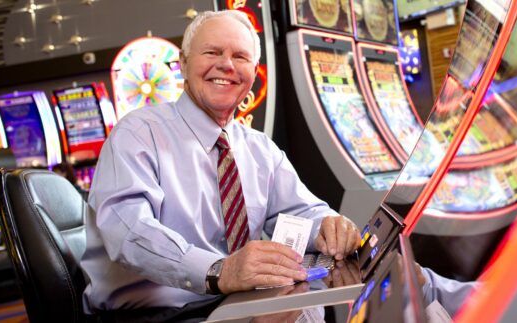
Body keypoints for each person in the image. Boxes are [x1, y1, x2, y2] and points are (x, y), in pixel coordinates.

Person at [81, 9, 361, 319]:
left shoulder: (258, 147)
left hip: (232, 304)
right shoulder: (137, 133)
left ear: (253, 72)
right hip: (157, 314)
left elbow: (300, 210)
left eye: (240, 57)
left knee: (311, 307)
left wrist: (327, 226)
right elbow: (128, 231)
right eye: (212, 52)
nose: (226, 65)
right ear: (183, 65)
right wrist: (219, 271)